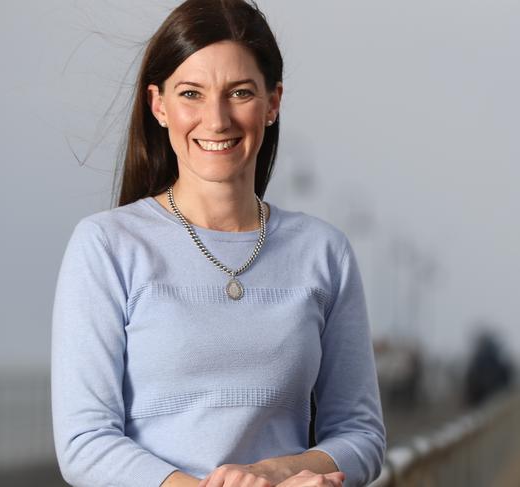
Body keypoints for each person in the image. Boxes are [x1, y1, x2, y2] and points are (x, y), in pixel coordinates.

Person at [51, 1, 386, 486]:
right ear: (158, 105)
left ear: (272, 103)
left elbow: (362, 434)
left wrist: (275, 471)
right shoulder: (106, 246)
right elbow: (85, 443)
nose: (216, 118)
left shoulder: (324, 252)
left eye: (241, 93)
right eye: (191, 93)